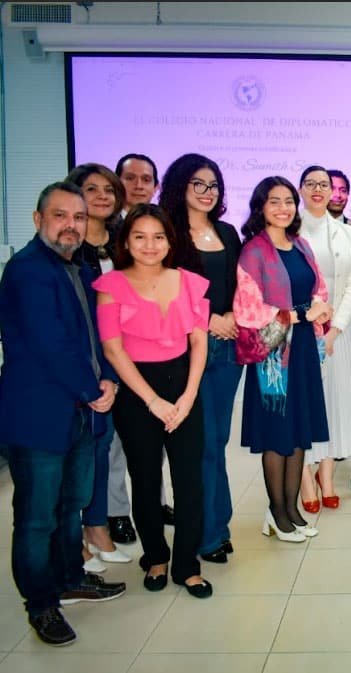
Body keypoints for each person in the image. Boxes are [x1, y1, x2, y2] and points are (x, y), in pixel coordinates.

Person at [0, 182, 126, 646]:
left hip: (79, 412)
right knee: (37, 517)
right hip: (40, 416)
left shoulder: (74, 267)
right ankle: (41, 604)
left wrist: (107, 378)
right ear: (38, 220)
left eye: (77, 217)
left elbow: (95, 337)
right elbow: (48, 343)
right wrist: (94, 388)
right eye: (60, 216)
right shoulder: (29, 270)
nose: (70, 225)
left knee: (69, 504)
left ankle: (69, 576)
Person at [94, 203, 212, 598]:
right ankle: (156, 557)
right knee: (145, 481)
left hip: (184, 382)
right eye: (140, 236)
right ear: (126, 241)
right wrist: (153, 401)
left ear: (169, 241)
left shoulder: (191, 282)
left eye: (158, 237)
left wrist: (189, 393)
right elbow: (112, 349)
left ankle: (187, 565)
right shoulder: (111, 286)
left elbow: (199, 341)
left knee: (189, 480)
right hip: (136, 390)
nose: (150, 245)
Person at [235, 177, 332, 543]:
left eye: (289, 201)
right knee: (278, 435)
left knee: (298, 432)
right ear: (260, 206)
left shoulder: (301, 245)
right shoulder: (254, 252)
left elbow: (318, 290)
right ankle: (277, 512)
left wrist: (320, 309)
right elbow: (247, 308)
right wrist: (297, 315)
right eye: (274, 201)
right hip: (273, 358)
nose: (283, 207)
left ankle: (291, 509)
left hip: (304, 348)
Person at [158, 153, 242, 564]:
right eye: (199, 185)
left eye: (214, 186)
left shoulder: (227, 231)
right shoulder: (167, 234)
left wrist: (230, 317)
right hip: (187, 350)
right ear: (180, 186)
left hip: (228, 350)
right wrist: (208, 319)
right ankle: (207, 534)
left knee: (218, 442)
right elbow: (163, 291)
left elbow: (240, 286)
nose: (208, 193)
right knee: (200, 444)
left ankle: (217, 526)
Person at [65, 163, 132, 570]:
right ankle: (78, 539)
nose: (104, 196)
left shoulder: (121, 243)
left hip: (124, 359)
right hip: (86, 363)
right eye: (92, 189)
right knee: (80, 451)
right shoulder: (69, 248)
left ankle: (98, 527)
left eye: (109, 189)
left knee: (105, 445)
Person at [297, 165, 351, 510]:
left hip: (338, 333)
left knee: (333, 405)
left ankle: (326, 476)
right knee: (306, 406)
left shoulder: (346, 234)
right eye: (311, 184)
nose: (319, 190)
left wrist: (334, 329)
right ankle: (305, 478)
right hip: (297, 334)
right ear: (301, 189)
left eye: (325, 185)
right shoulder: (287, 230)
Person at [112, 152, 171, 540]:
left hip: (161, 361)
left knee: (155, 448)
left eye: (146, 179)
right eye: (130, 178)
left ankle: (155, 502)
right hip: (116, 359)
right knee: (120, 447)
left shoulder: (162, 235)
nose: (138, 185)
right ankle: (116, 512)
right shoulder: (107, 234)